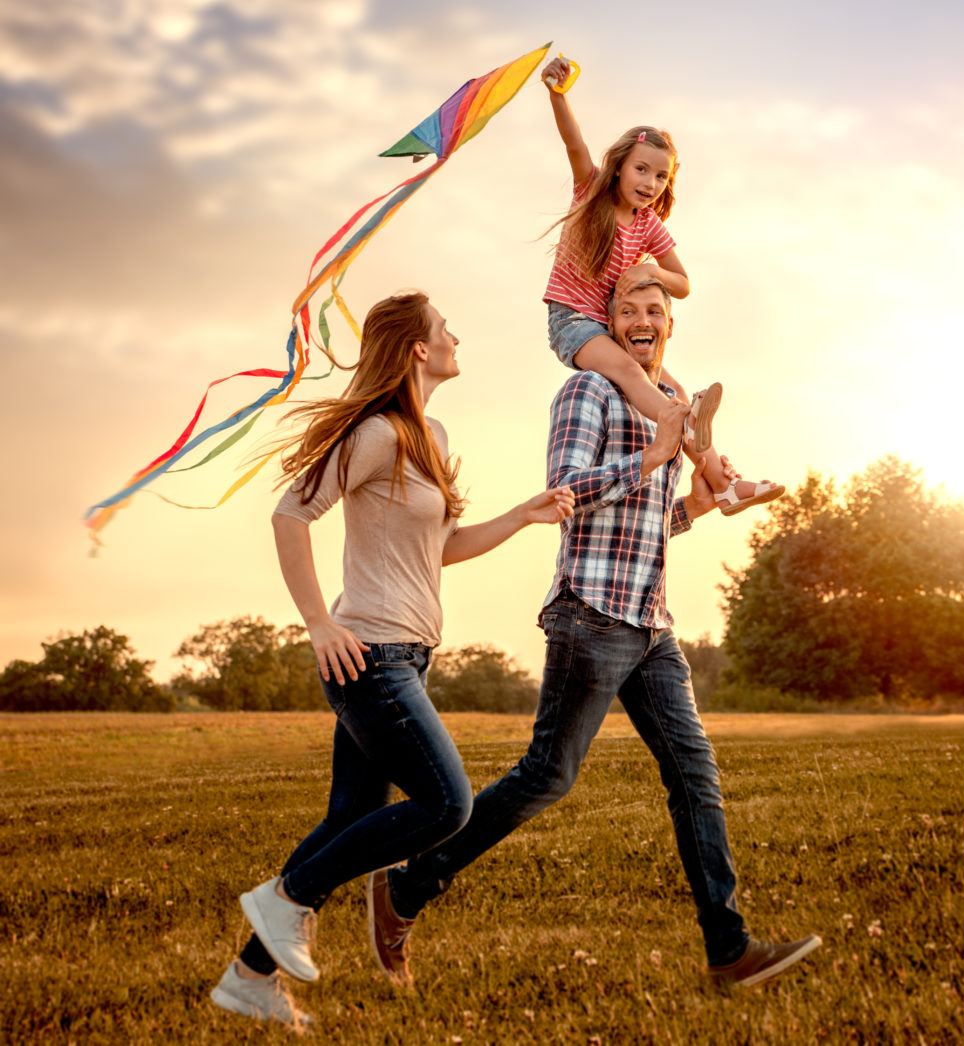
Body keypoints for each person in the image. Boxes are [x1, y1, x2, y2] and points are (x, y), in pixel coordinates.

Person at [371, 278, 819, 989]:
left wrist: (697, 506)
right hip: (590, 615)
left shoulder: (663, 407)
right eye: (627, 312)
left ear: (670, 326)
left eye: (655, 312)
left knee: (695, 775)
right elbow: (567, 494)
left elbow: (647, 526)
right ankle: (408, 888)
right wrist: (653, 456)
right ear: (606, 328)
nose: (643, 321)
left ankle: (728, 952)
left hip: (651, 622)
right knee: (547, 775)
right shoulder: (588, 394)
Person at [208, 292, 576, 1027]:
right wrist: (318, 622)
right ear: (416, 347)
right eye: (445, 329)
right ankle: (286, 898)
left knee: (351, 814)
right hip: (366, 654)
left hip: (407, 653)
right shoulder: (375, 432)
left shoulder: (428, 433)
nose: (455, 336)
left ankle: (248, 979)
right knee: (448, 804)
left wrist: (522, 515)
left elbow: (439, 549)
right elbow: (292, 512)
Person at [536, 53, 784, 519]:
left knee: (675, 391)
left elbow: (683, 282)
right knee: (636, 378)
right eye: (641, 170)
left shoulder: (648, 225)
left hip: (608, 329)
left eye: (661, 176)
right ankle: (682, 422)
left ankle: (724, 486)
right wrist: (558, 94)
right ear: (619, 168)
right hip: (572, 322)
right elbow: (574, 145)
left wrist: (652, 272)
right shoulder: (591, 193)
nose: (650, 183)